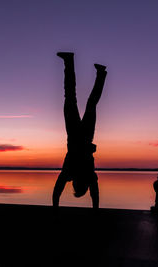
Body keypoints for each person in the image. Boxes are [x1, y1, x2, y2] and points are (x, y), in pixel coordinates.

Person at [52, 52, 107, 209]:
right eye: (76, 187)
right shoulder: (77, 174)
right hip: (77, 133)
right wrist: (55, 207)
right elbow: (58, 190)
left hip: (83, 134)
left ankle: (100, 72)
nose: (73, 185)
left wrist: (55, 207)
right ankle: (72, 62)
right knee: (72, 97)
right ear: (80, 185)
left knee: (85, 102)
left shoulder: (85, 176)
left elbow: (94, 194)